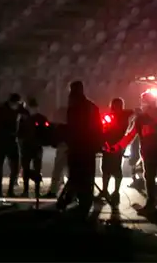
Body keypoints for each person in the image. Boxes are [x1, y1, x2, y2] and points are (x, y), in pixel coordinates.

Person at [62, 81, 101, 217]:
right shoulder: (92, 107)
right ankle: (85, 202)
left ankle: (75, 199)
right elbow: (98, 128)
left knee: (75, 175)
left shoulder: (73, 108)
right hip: (88, 148)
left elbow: (71, 129)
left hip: (77, 148)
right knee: (87, 176)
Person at [100, 97, 132, 206]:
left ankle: (113, 191)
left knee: (112, 169)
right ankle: (109, 191)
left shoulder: (121, 116)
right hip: (111, 146)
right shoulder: (120, 116)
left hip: (115, 146)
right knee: (108, 169)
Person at [17, 97, 49, 198]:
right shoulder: (38, 118)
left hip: (32, 146)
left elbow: (20, 133)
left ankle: (30, 191)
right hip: (32, 146)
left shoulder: (27, 119)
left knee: (31, 169)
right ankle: (33, 191)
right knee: (31, 169)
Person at [0, 93, 22, 198]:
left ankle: (9, 190)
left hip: (11, 141)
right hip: (2, 141)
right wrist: (10, 133)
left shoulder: (17, 110)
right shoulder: (2, 110)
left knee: (14, 167)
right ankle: (0, 191)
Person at [44, 105, 69, 199]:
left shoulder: (61, 127)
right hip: (68, 147)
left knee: (58, 170)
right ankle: (70, 192)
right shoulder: (69, 126)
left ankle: (54, 191)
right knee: (65, 171)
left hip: (63, 147)